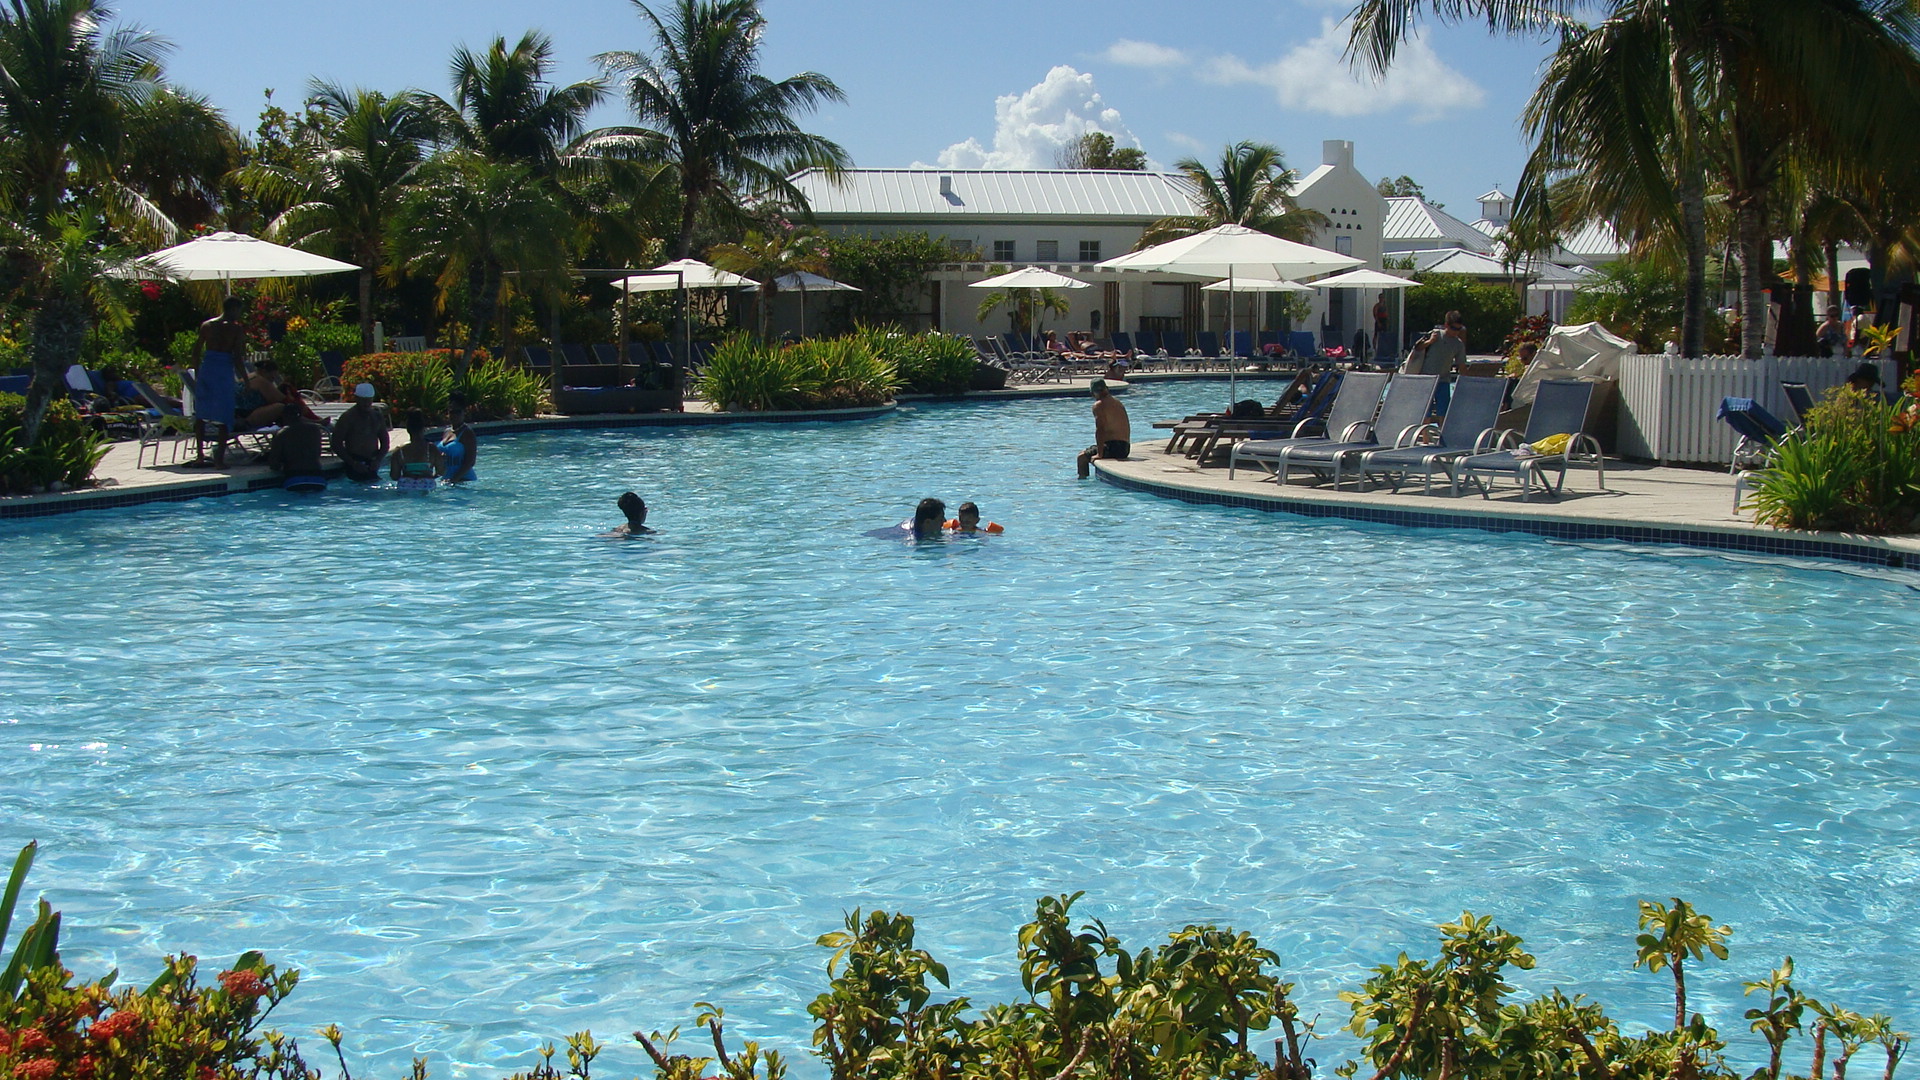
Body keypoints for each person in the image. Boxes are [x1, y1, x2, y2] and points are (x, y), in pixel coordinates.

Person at [193, 297, 249, 464]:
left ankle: (200, 456)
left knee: (201, 415)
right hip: (223, 370)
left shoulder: (207, 326)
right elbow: (237, 357)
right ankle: (219, 460)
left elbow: (196, 352)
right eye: (239, 311)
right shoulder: (235, 329)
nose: (239, 314)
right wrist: (246, 379)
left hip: (207, 368)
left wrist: (198, 373)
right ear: (233, 309)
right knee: (225, 414)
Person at [331, 382, 390, 482]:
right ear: (356, 398)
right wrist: (352, 463)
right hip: (354, 461)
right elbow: (336, 443)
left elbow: (385, 442)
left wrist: (378, 460)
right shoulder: (348, 418)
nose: (366, 404)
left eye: (369, 400)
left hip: (371, 462)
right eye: (363, 401)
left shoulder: (377, 417)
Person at [1076, 379, 1131, 478]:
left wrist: (1099, 454)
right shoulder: (1117, 402)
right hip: (1125, 448)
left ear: (1093, 393)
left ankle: (1083, 483)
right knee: (1084, 453)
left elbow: (1100, 429)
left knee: (1082, 457)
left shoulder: (1099, 405)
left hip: (1114, 448)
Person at [264, 406, 324, 489]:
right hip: (318, 478)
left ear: (284, 417)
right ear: (301, 416)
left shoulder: (281, 434)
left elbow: (274, 464)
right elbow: (318, 453)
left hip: (294, 479)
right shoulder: (315, 429)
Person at [236, 358, 300, 430]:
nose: (272, 380)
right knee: (285, 407)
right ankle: (295, 431)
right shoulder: (260, 380)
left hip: (236, 415)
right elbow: (283, 399)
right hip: (245, 419)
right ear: (263, 372)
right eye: (272, 377)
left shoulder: (248, 377)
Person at [388, 409, 442, 490]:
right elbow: (441, 471)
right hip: (426, 484)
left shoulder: (399, 451)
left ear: (408, 430)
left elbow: (394, 476)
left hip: (406, 484)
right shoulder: (431, 449)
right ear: (423, 429)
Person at [438, 395, 477, 483]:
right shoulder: (446, 431)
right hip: (446, 479)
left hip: (464, 480)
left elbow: (470, 462)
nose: (454, 415)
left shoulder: (467, 433)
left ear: (464, 412)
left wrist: (454, 479)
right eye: (451, 412)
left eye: (458, 412)